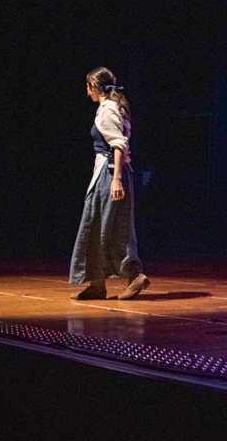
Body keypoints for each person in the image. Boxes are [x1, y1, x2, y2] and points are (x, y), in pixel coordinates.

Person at [69, 67, 150, 300]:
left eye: (88, 87)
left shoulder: (107, 109)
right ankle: (98, 284)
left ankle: (132, 276)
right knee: (107, 226)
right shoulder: (113, 107)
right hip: (111, 172)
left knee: (103, 225)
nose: (87, 92)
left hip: (110, 173)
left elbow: (118, 145)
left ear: (94, 87)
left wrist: (115, 180)